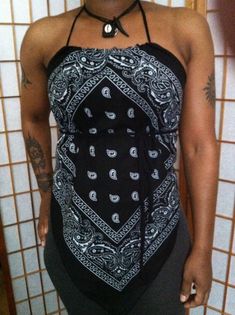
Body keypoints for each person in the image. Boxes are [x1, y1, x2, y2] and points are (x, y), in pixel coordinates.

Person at [20, 1, 219, 314]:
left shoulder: (185, 27)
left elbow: (200, 145)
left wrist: (204, 249)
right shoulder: (42, 37)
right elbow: (32, 119)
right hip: (72, 240)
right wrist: (46, 194)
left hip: (161, 244)